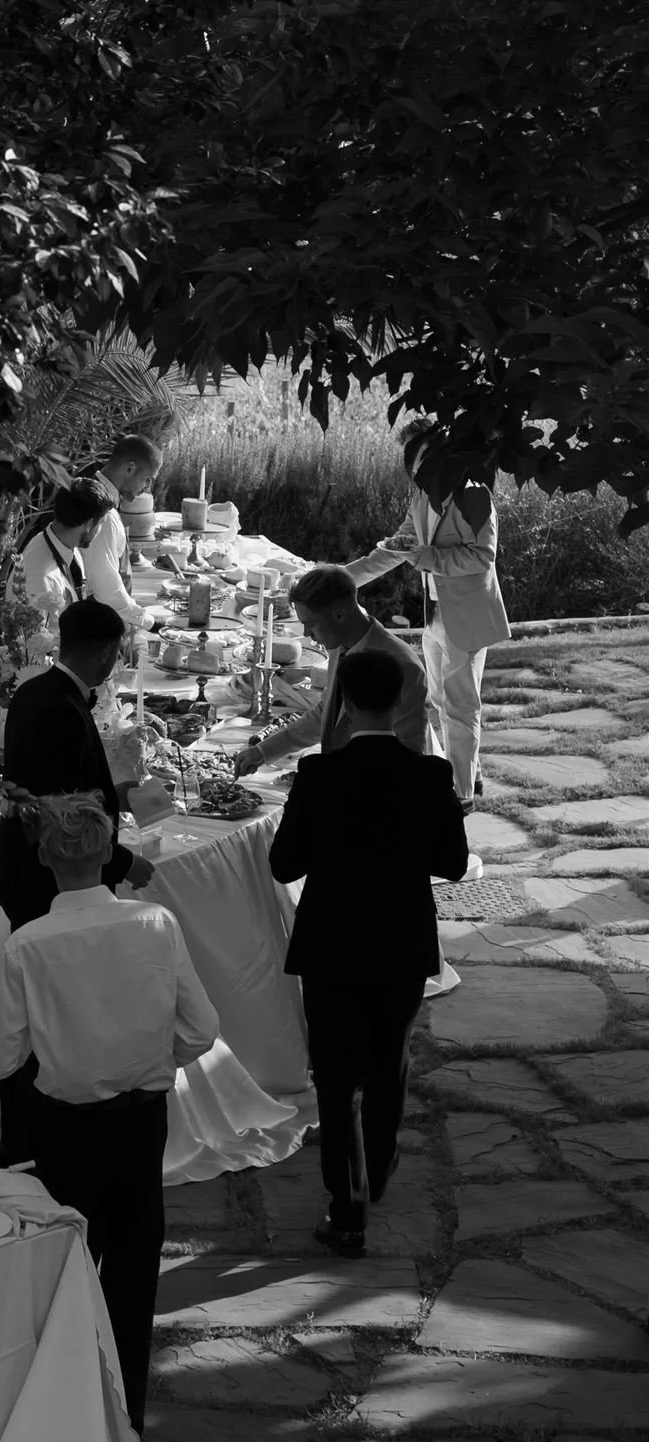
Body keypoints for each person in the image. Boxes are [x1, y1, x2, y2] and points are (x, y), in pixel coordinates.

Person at [0, 795, 219, 1436]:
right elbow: (202, 1030)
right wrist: (144, 1055)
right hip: (142, 1120)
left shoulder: (27, 944)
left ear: (44, 859)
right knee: (135, 1269)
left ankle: (68, 1409)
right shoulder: (156, 923)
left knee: (69, 1266)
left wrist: (67, 1046)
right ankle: (126, 1420)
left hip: (67, 1125)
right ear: (108, 851)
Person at [267, 650, 468, 1256]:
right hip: (401, 940)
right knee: (388, 1062)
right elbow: (453, 864)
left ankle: (348, 1206)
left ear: (346, 704)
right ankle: (376, 1171)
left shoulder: (318, 775)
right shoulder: (430, 776)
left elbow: (284, 863)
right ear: (399, 701)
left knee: (334, 1076)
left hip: (332, 943)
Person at [347, 418, 510, 811]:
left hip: (466, 616)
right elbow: (396, 548)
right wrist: (341, 578)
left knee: (459, 706)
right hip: (434, 613)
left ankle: (461, 798)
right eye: (413, 461)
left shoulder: (474, 495)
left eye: (422, 457)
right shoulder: (423, 497)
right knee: (439, 699)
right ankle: (471, 772)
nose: (417, 468)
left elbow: (483, 556)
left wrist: (429, 558)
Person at [0, 596, 153, 932]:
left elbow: (55, 781)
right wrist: (125, 863)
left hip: (28, 867)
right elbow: (62, 811)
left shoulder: (32, 691)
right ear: (107, 652)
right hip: (47, 883)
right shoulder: (63, 710)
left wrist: (117, 794)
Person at [233, 564, 429, 779]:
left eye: (311, 624)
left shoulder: (403, 665)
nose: (307, 634)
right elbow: (324, 714)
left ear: (339, 614)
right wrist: (262, 752)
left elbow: (409, 753)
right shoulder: (341, 646)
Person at [82, 432, 167, 631]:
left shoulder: (96, 494)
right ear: (130, 468)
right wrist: (148, 622)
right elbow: (106, 589)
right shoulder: (104, 514)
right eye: (147, 479)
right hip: (96, 627)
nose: (147, 488)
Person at [6, 479, 111, 620]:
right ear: (89, 524)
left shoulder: (66, 546)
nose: (100, 531)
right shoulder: (40, 578)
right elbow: (32, 638)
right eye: (102, 523)